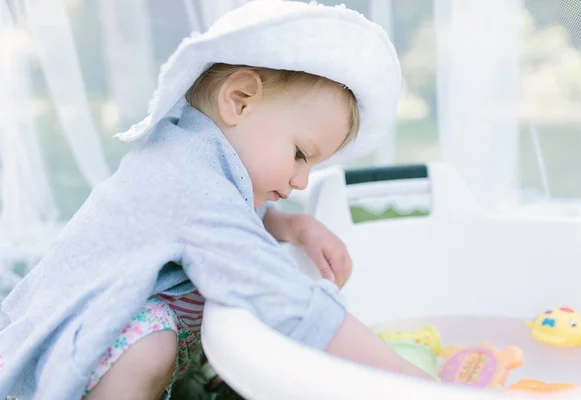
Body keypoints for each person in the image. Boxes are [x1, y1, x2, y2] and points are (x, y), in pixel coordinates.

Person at [0, 1, 433, 399]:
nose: (301, 181)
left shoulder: (192, 154)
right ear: (239, 101)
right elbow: (285, 300)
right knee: (153, 345)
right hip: (57, 358)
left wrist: (289, 224)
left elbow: (226, 217)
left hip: (88, 335)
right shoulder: (187, 182)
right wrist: (403, 378)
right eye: (300, 154)